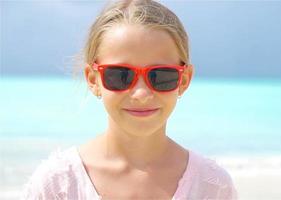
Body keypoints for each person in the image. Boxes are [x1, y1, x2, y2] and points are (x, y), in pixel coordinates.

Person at [22, 0, 238, 199]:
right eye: (120, 75)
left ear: (184, 80)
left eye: (160, 76)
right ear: (93, 79)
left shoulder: (211, 187)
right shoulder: (58, 186)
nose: (141, 94)